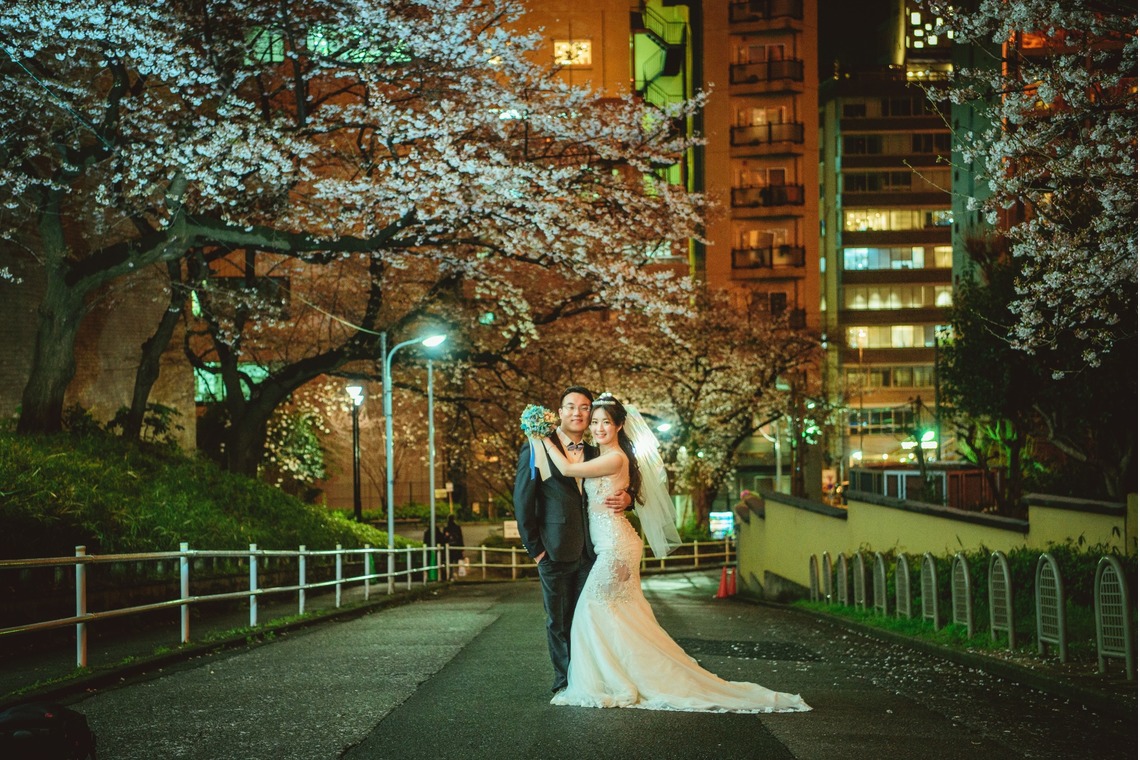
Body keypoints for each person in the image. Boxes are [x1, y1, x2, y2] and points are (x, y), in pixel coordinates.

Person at [536, 393, 811, 713]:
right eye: (594, 422)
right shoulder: (605, 455)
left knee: (591, 610)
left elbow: (567, 470)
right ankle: (624, 676)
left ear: (619, 425)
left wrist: (542, 439)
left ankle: (620, 680)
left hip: (616, 547)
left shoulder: (614, 458)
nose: (598, 428)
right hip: (612, 544)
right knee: (619, 616)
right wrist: (627, 496)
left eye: (605, 422)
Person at [513, 386, 632, 694]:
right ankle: (566, 682)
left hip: (593, 549)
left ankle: (590, 677)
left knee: (589, 618)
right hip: (553, 548)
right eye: (570, 406)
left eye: (584, 407)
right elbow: (523, 500)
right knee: (559, 620)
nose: (577, 413)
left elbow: (620, 479)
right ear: (560, 412)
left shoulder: (597, 452)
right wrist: (535, 550)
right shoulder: (537, 447)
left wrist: (628, 497)